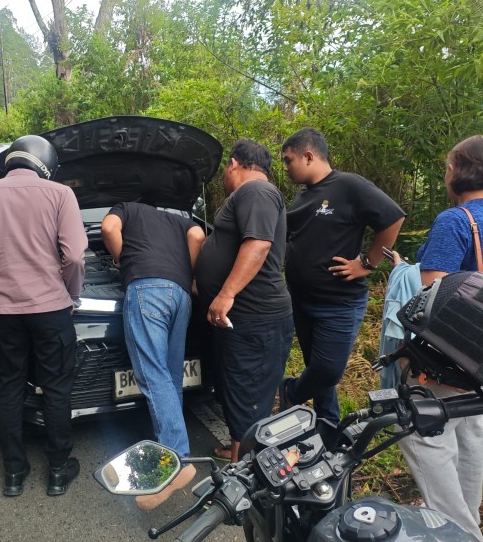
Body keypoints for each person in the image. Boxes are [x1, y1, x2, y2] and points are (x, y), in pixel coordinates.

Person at [0, 135, 87, 498]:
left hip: (4, 315)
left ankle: (14, 473)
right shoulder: (60, 194)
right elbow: (76, 257)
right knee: (56, 388)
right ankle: (57, 471)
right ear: (45, 164)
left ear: (10, 161)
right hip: (52, 310)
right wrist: (72, 295)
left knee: (9, 389)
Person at [280, 127, 405, 425]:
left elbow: (393, 217)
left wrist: (368, 263)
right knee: (316, 367)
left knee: (327, 369)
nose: (285, 168)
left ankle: (290, 393)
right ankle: (328, 423)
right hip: (302, 300)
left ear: (308, 156)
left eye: (288, 160)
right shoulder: (303, 196)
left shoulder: (348, 186)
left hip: (337, 303)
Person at [393, 134, 483, 541]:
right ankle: (469, 520)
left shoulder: (456, 221)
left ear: (460, 171)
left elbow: (436, 297)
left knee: (424, 438)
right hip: (481, 364)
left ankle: (458, 532)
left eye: (448, 165)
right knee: (472, 436)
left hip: (451, 360)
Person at [101, 200, 205, 510]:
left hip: (147, 288)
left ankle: (178, 460)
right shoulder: (177, 219)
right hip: (180, 294)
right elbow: (199, 236)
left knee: (152, 374)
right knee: (171, 375)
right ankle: (168, 449)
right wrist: (189, 273)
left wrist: (123, 258)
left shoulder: (126, 209)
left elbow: (108, 228)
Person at [194, 139, 293, 462]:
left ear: (234, 164)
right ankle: (239, 451)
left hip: (255, 317)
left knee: (248, 393)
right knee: (238, 390)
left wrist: (225, 293)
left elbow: (258, 245)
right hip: (246, 319)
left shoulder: (256, 192)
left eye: (226, 168)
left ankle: (244, 474)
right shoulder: (251, 196)